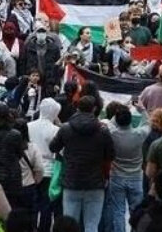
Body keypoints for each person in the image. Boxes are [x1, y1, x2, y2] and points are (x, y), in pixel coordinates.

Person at [49, 95, 115, 232]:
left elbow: (53, 147)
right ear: (94, 109)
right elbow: (111, 155)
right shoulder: (102, 130)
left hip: (71, 181)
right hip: (95, 183)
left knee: (69, 225)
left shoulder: (66, 128)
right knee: (92, 225)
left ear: (77, 108)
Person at [105, 103, 149, 232]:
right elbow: (148, 123)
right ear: (130, 120)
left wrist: (121, 109)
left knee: (118, 211)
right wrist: (142, 110)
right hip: (135, 177)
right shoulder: (139, 134)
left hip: (117, 177)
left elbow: (109, 123)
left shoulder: (112, 133)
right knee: (136, 211)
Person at [28, 97, 61, 232]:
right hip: (49, 169)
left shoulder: (29, 126)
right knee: (46, 205)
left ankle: (31, 227)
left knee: (32, 203)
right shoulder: (56, 130)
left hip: (31, 168)